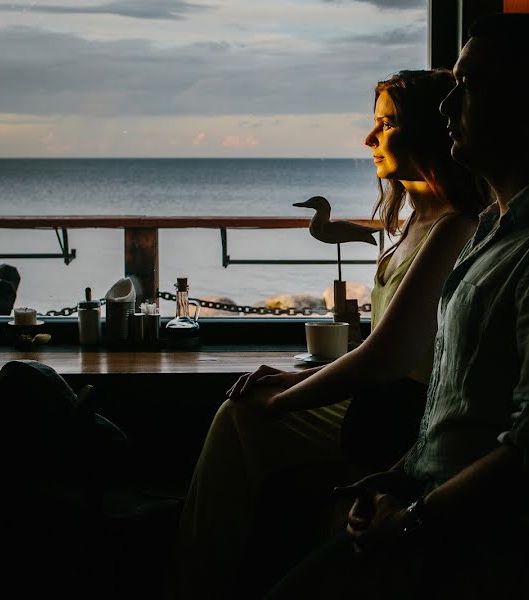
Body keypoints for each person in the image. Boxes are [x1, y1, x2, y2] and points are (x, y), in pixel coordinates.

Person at [264, 13, 529, 600]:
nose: (446, 108)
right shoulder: (502, 228)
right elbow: (461, 410)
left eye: (466, 87)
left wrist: (414, 519)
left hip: (526, 546)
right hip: (450, 515)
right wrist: (398, 477)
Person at [172, 69, 489, 599]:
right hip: (382, 398)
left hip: (406, 415)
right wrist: (305, 375)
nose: (369, 139)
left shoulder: (455, 227)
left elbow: (390, 356)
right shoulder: (410, 223)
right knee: (241, 413)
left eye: (385, 125)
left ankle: (193, 579)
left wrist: (287, 400)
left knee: (242, 419)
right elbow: (382, 349)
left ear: (430, 133)